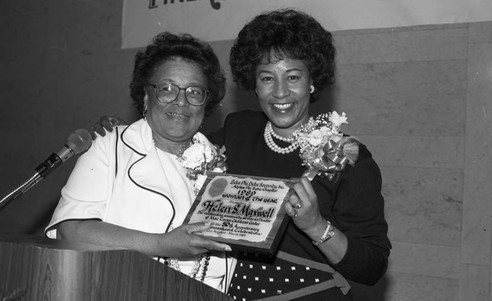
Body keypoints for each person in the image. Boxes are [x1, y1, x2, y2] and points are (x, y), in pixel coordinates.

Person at [95, 9, 391, 300]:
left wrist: (316, 226)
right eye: (266, 78)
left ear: (312, 80)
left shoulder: (345, 155)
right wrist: (120, 136)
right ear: (254, 83)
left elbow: (372, 267)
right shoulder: (237, 131)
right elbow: (174, 148)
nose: (280, 92)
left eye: (292, 77)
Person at [45, 32, 235, 292]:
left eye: (194, 91)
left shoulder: (218, 163)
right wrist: (162, 244)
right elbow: (72, 230)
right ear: (146, 96)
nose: (181, 101)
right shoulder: (109, 145)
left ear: (206, 102)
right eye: (167, 88)